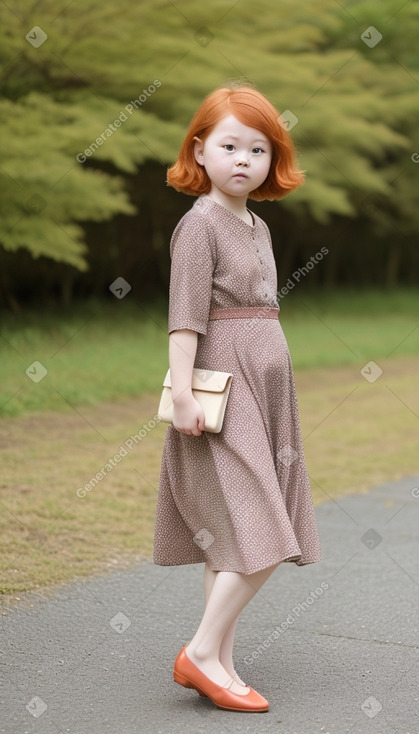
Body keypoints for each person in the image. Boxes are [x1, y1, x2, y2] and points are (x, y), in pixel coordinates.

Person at [153, 82, 322, 713]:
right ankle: (200, 654)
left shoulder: (257, 224)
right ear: (200, 150)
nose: (244, 159)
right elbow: (183, 319)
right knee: (265, 530)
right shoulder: (199, 225)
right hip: (222, 387)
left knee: (231, 534)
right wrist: (185, 394)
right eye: (230, 146)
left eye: (258, 148)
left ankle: (218, 660)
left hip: (268, 384)